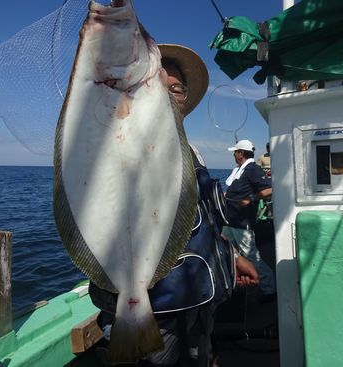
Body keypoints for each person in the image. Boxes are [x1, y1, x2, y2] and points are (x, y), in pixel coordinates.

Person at [89, 44, 259, 367]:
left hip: (196, 302)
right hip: (153, 315)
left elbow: (201, 221)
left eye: (176, 88)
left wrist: (231, 257)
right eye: (156, 85)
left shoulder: (192, 153)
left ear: (184, 101)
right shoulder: (119, 148)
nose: (168, 95)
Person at [222, 139, 276, 300]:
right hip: (230, 221)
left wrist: (251, 198)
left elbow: (269, 189)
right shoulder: (240, 170)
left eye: (235, 152)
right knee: (225, 251)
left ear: (241, 154)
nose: (234, 154)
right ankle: (234, 282)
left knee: (252, 256)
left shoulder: (253, 169)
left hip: (241, 224)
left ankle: (269, 288)